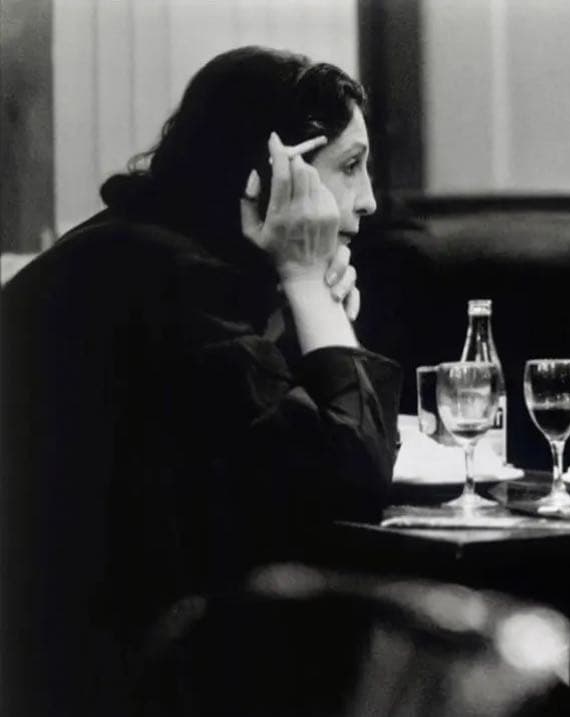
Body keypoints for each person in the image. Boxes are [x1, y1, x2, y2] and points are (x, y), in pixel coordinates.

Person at [0, 46, 400, 715]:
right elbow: (350, 482)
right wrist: (310, 289)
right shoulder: (174, 282)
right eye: (351, 167)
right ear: (272, 176)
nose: (368, 200)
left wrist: (298, 301)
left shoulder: (136, 249)